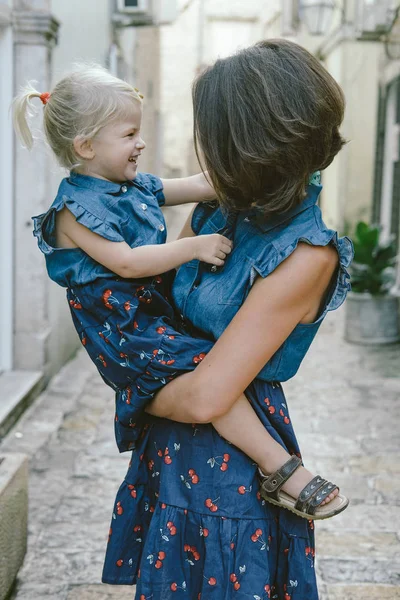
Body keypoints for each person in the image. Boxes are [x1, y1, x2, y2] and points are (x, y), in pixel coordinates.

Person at [12, 45, 351, 598]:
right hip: (170, 455)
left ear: (254, 143)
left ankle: (285, 472)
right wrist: (138, 374)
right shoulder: (222, 210)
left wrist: (136, 392)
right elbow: (154, 295)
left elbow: (201, 398)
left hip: (233, 478)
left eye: (215, 136)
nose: (204, 151)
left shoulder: (305, 255)